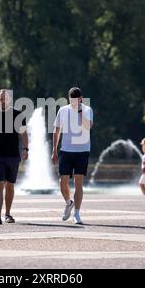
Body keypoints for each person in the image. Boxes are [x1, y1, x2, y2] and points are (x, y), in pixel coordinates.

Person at [0, 89, 29, 224]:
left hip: (13, 155)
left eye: (5, 98)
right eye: (1, 98)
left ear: (10, 100)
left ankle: (8, 214)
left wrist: (25, 149)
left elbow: (24, 133)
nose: (3, 100)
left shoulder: (17, 115)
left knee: (10, 185)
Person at [52, 87, 93, 224]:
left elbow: (88, 126)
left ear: (81, 98)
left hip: (82, 150)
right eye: (72, 99)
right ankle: (68, 202)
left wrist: (80, 112)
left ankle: (77, 214)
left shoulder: (87, 110)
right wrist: (54, 150)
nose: (74, 101)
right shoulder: (63, 110)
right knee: (62, 181)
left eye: (77, 98)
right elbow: (57, 130)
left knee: (78, 183)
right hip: (66, 150)